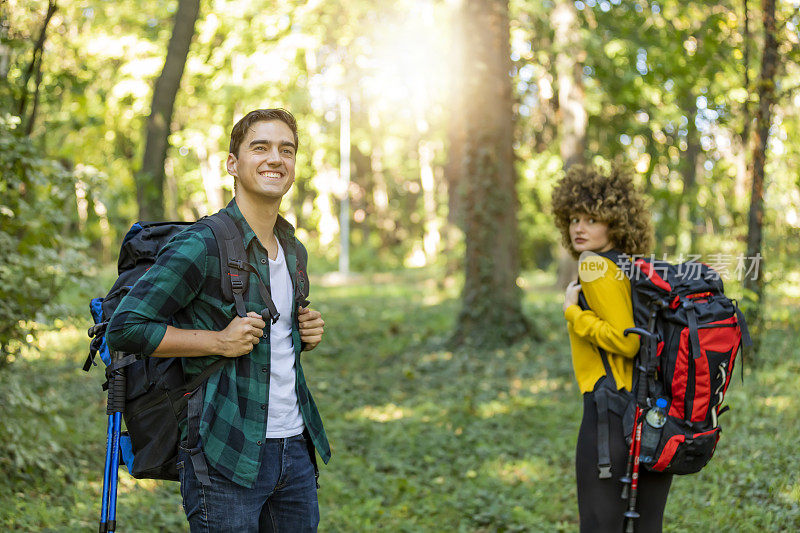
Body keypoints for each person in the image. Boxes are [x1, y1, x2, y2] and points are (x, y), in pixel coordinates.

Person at [107, 108, 330, 532]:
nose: (275, 158)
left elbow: (275, 344)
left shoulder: (293, 248)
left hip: (295, 448)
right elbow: (126, 326)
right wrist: (218, 341)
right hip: (225, 448)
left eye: (287, 149)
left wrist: (305, 334)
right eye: (259, 147)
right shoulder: (202, 243)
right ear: (233, 163)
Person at [551, 164, 672, 532]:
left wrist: (573, 313)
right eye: (573, 218)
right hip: (649, 414)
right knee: (645, 525)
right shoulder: (629, 265)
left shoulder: (593, 266)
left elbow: (627, 340)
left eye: (591, 218)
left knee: (600, 526)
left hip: (608, 413)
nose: (578, 227)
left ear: (614, 221)